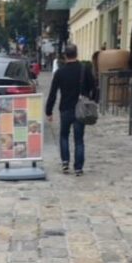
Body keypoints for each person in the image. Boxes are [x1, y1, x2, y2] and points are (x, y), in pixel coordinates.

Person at [45, 43, 96, 176]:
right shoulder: (84, 70)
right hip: (81, 109)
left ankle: (65, 163)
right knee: (79, 139)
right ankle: (78, 168)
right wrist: (92, 101)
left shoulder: (60, 72)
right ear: (76, 54)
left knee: (64, 136)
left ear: (65, 55)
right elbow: (94, 87)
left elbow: (53, 93)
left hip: (65, 108)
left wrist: (49, 111)